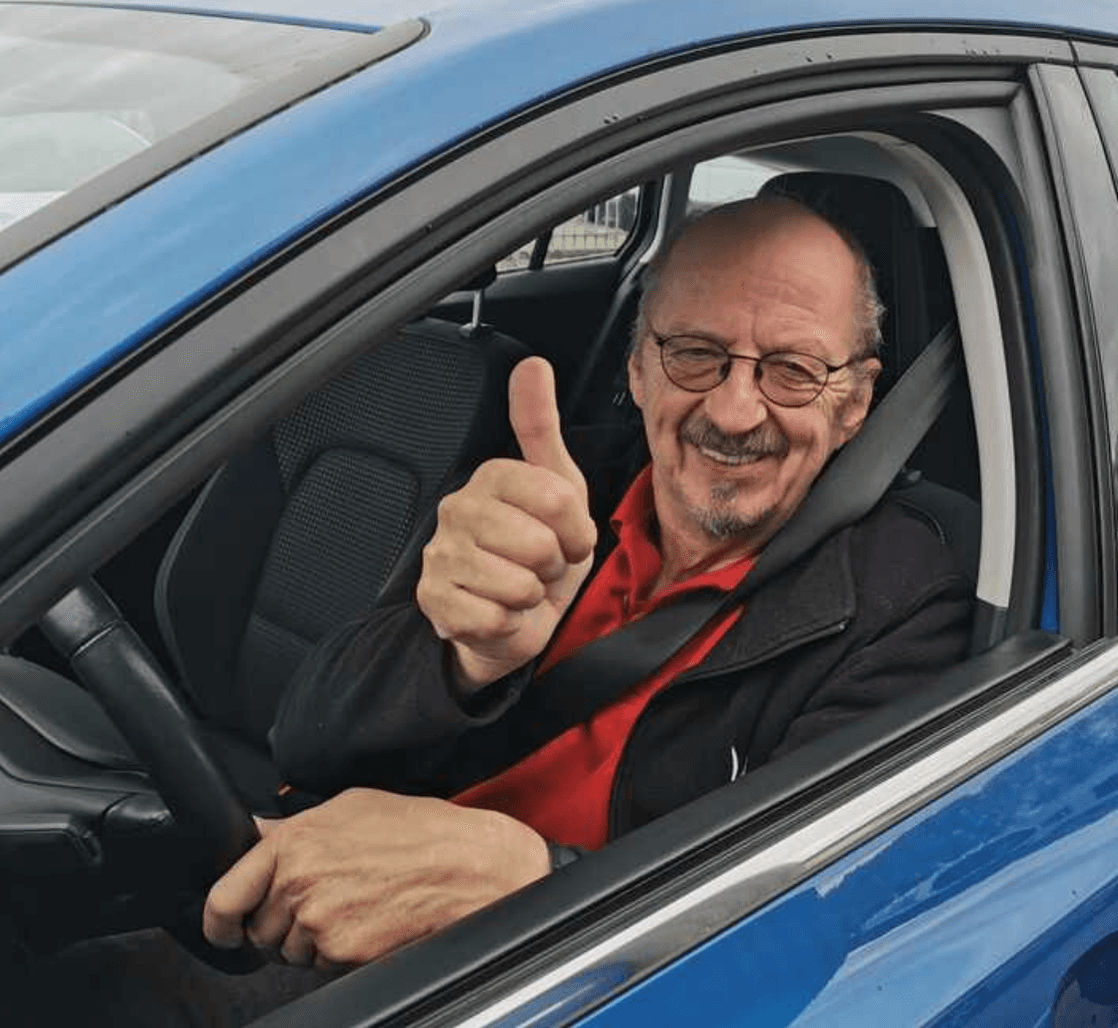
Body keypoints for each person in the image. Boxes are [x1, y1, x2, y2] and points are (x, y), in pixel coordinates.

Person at [201, 194, 977, 971]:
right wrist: (460, 663)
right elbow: (304, 741)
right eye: (695, 353)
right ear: (637, 369)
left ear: (854, 403)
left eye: (794, 371)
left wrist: (533, 883)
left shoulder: (898, 605)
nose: (736, 412)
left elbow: (801, 933)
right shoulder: (538, 487)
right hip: (323, 913)